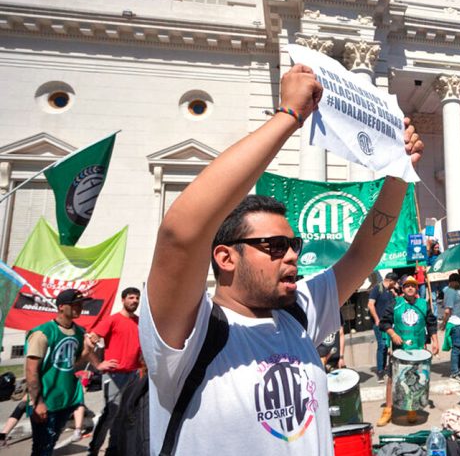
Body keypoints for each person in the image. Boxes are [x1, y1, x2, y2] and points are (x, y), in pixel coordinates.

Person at [141, 64, 424, 455]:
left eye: (294, 244)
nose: (292, 254)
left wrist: (398, 174)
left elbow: (360, 256)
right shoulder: (187, 333)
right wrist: (289, 116)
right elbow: (179, 235)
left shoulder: (297, 313)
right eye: (274, 245)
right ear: (225, 257)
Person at [25, 289, 98, 455]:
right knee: (42, 449)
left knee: (49, 445)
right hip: (45, 401)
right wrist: (38, 402)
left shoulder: (79, 332)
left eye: (81, 304)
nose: (79, 307)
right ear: (61, 307)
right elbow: (31, 370)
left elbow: (73, 365)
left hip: (65, 401)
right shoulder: (43, 333)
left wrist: (87, 351)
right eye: (74, 305)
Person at [86, 287, 142, 456]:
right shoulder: (112, 320)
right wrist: (98, 364)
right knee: (110, 414)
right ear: (123, 300)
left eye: (137, 298)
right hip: (115, 375)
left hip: (133, 375)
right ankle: (93, 450)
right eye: (131, 298)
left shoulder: (139, 322)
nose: (135, 301)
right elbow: (89, 342)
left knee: (124, 415)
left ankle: (113, 450)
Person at [377, 276, 439, 426]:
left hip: (417, 349)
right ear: (403, 289)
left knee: (414, 379)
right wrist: (393, 334)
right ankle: (388, 410)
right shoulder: (395, 303)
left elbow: (431, 323)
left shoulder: (423, 304)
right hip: (400, 349)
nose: (410, 288)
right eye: (407, 286)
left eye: (413, 286)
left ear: (416, 288)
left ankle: (412, 408)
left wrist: (435, 341)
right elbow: (384, 323)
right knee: (393, 379)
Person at [368, 273, 399, 382]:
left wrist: (395, 294)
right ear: (391, 281)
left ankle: (386, 368)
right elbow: (370, 304)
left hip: (390, 323)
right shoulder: (377, 288)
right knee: (382, 345)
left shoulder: (390, 292)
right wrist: (376, 319)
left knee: (388, 346)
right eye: (394, 283)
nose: (395, 285)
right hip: (380, 323)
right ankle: (380, 371)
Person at [442, 273, 460, 382]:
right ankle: (454, 372)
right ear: (453, 282)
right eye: (459, 282)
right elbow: (448, 310)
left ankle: (458, 369)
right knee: (457, 348)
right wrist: (443, 323)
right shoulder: (450, 292)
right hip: (455, 324)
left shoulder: (453, 292)